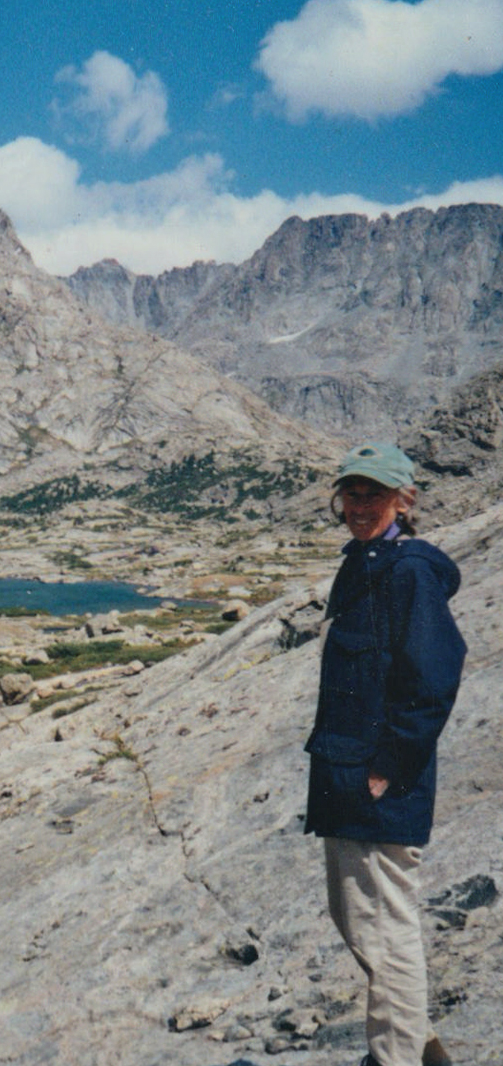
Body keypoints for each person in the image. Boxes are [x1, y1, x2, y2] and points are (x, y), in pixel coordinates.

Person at [304, 442, 466, 1066]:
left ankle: (397, 1058)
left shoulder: (408, 572)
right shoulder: (363, 565)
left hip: (377, 779)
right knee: (356, 919)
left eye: (376, 493)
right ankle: (419, 1045)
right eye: (353, 492)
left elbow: (433, 677)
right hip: (346, 772)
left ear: (405, 499)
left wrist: (387, 767)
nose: (361, 504)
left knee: (383, 928)